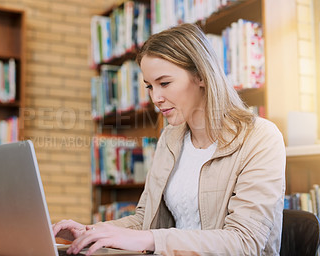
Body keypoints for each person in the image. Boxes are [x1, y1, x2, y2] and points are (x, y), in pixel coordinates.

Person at [52, 23, 286, 256]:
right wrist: (91, 232)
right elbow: (146, 220)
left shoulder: (260, 138)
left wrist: (151, 239)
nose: (156, 97)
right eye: (149, 87)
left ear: (201, 76)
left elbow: (244, 242)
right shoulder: (170, 139)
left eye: (164, 83)